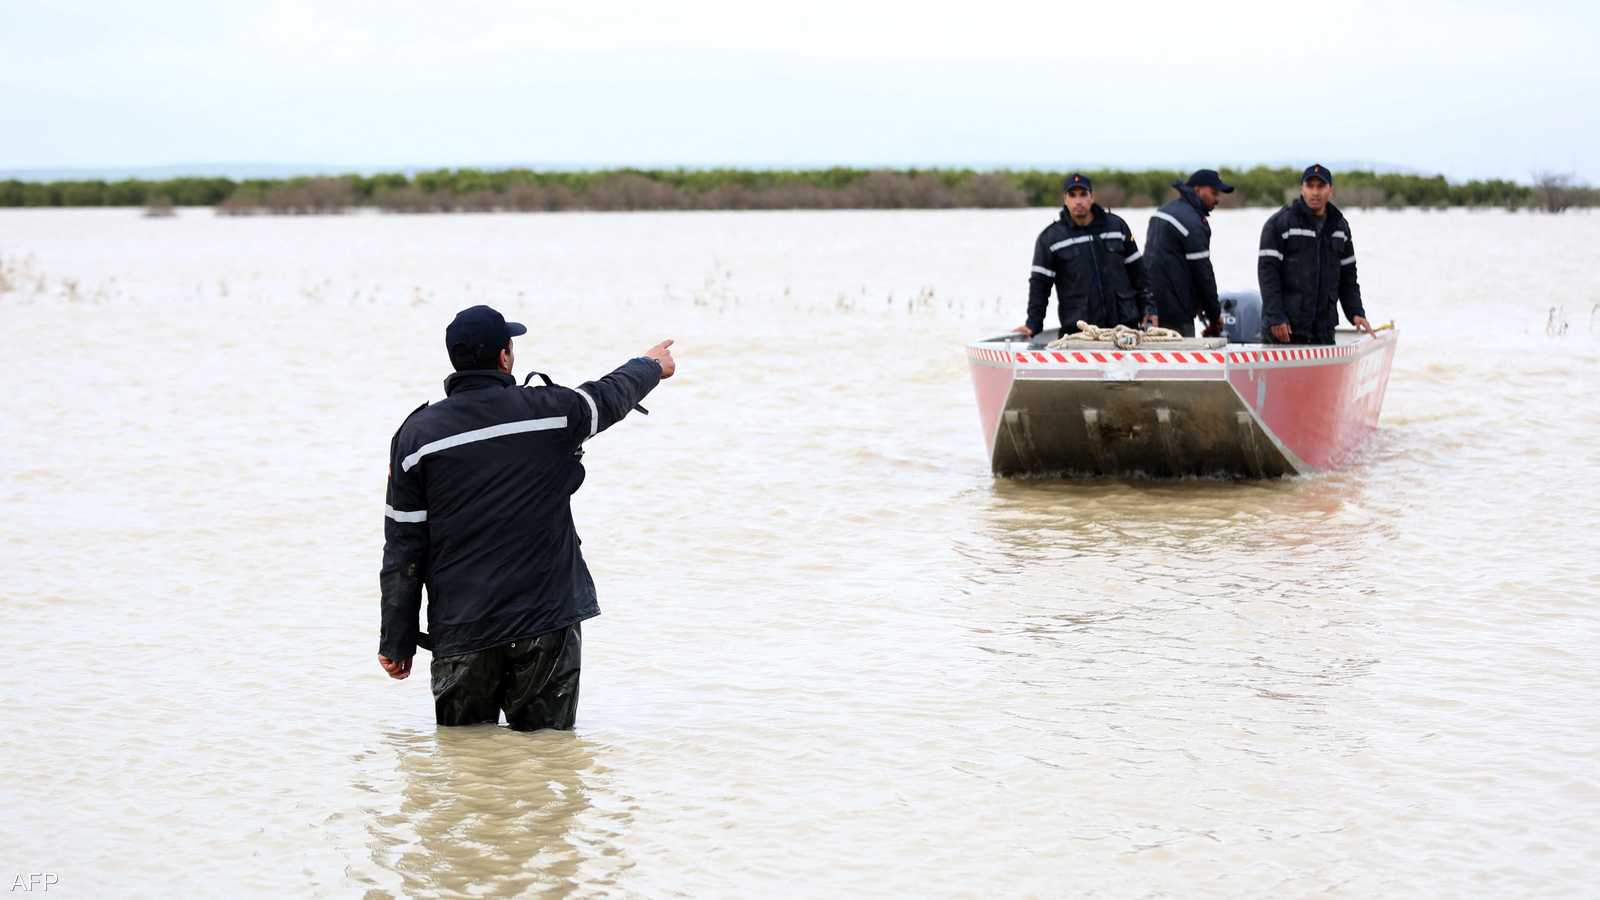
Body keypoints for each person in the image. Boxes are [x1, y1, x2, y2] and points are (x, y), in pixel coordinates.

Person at [377, 304, 676, 731]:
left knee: (465, 758)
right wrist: (650, 365)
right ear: (504, 357)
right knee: (548, 754)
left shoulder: (416, 437)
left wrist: (397, 639)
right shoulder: (551, 411)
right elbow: (609, 396)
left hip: (463, 629)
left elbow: (404, 547)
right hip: (545, 620)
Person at [1014, 173, 1151, 339]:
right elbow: (1040, 286)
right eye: (1072, 195)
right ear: (1065, 199)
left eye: (1083, 194)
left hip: (1125, 330)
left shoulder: (1117, 226)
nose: (1078, 201)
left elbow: (1138, 273)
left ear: (1092, 197)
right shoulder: (1050, 238)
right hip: (1079, 334)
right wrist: (1032, 324)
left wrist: (1149, 309)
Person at [1257, 164, 1374, 344]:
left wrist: (1356, 312)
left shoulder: (1340, 227)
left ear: (1330, 190)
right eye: (1310, 186)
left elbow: (1348, 278)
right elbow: (1267, 275)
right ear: (1301, 189)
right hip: (1285, 331)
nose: (1315, 192)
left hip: (1323, 332)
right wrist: (1276, 317)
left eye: (1321, 186)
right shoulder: (1279, 224)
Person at [1143, 169, 1231, 337]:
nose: (1218, 199)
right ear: (1197, 189)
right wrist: (1214, 315)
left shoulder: (1163, 211)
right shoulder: (1193, 223)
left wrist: (1148, 305)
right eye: (1214, 193)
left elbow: (1151, 263)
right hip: (1176, 314)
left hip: (1150, 309)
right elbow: (1203, 273)